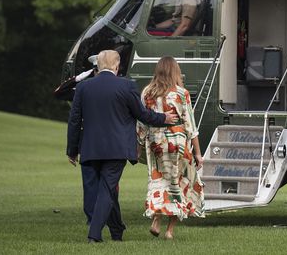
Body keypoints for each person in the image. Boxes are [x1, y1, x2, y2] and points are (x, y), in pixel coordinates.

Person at [66, 50, 177, 243]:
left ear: (99, 66)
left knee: (102, 191)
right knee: (108, 190)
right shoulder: (126, 86)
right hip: (117, 148)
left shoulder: (83, 88)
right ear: (116, 66)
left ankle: (114, 231)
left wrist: (72, 150)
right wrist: (164, 118)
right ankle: (97, 233)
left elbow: (74, 120)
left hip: (90, 148)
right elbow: (142, 114)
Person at [137, 56, 205, 240]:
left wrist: (138, 147)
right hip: (179, 145)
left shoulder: (147, 93)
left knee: (158, 181)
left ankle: (156, 220)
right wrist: (198, 154)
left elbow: (141, 124)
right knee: (179, 183)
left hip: (156, 145)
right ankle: (170, 230)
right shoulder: (182, 94)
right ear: (175, 71)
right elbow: (191, 126)